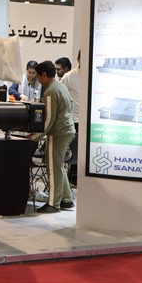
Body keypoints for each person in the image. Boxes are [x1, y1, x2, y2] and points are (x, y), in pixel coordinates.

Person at [31, 61, 76, 213]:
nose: (38, 80)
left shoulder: (50, 91)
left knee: (53, 168)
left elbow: (48, 119)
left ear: (44, 75)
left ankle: (53, 203)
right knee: (58, 166)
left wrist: (35, 136)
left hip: (58, 133)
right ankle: (66, 199)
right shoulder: (60, 86)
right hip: (67, 130)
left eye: (38, 76)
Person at [61, 50, 81, 186]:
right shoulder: (69, 77)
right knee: (75, 152)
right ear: (78, 58)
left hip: (90, 121)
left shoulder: (95, 74)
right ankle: (73, 178)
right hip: (75, 119)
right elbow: (61, 94)